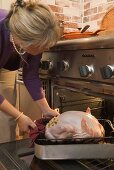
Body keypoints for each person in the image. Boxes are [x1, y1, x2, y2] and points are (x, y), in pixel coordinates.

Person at [0, 0, 60, 143]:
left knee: (7, 114)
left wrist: (46, 109)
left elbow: (31, 76)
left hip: (6, 64)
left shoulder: (36, 38)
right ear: (21, 38)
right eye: (41, 47)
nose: (43, 50)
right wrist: (19, 116)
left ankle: (4, 157)